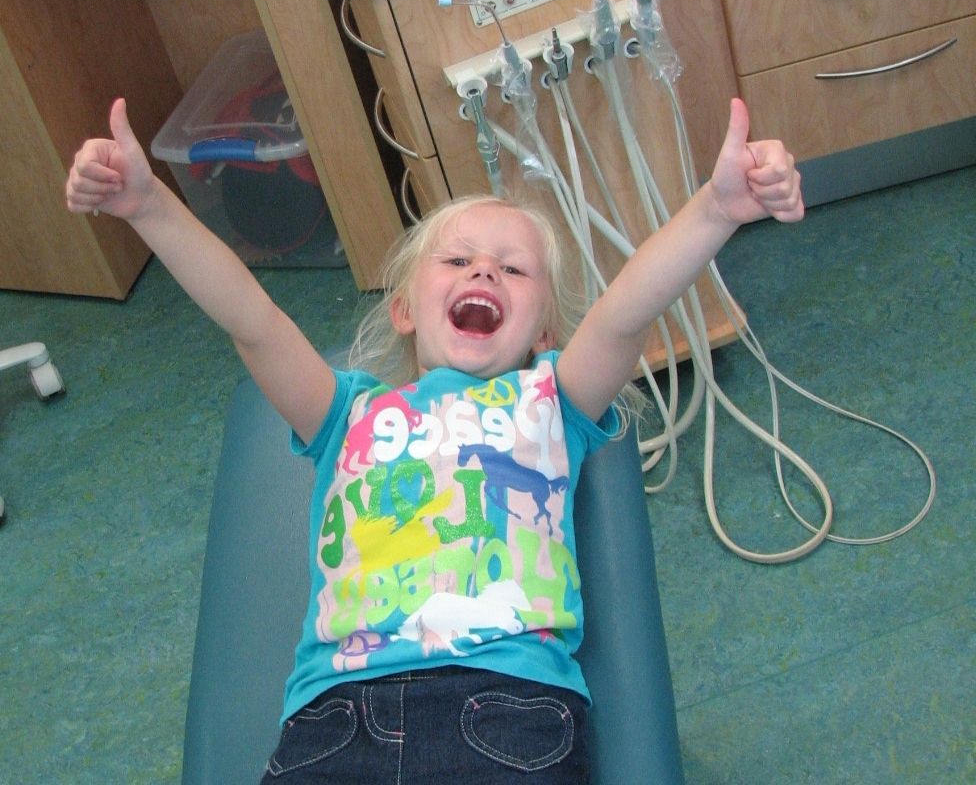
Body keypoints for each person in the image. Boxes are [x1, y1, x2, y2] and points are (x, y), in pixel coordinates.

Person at [66, 96, 803, 783]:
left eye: (514, 270)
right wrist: (148, 205)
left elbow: (622, 314)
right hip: (333, 718)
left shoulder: (550, 399)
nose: (484, 268)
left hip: (510, 707)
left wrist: (716, 210)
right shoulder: (343, 413)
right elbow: (251, 320)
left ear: (543, 335)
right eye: (456, 261)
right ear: (404, 311)